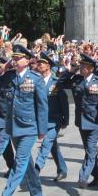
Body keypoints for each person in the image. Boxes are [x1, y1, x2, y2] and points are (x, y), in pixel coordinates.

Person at [0, 44, 47, 196]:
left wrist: (42, 130)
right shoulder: (8, 77)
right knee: (27, 163)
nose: (14, 60)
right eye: (13, 58)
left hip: (29, 128)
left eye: (17, 58)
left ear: (27, 60)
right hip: (12, 127)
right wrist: (1, 69)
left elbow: (42, 106)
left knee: (20, 162)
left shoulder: (36, 79)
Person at [56, 53, 98, 189]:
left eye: (84, 66)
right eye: (81, 65)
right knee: (89, 150)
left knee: (90, 149)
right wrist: (71, 71)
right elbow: (59, 84)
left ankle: (83, 177)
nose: (81, 67)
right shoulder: (77, 80)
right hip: (81, 121)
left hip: (95, 121)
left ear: (91, 68)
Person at [34, 51, 69, 181]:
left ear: (48, 66)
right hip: (41, 120)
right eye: (38, 62)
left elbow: (64, 102)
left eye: (42, 63)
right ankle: (62, 169)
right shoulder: (36, 81)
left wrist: (66, 120)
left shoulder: (56, 83)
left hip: (54, 119)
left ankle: (37, 168)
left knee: (46, 143)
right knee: (52, 145)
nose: (39, 65)